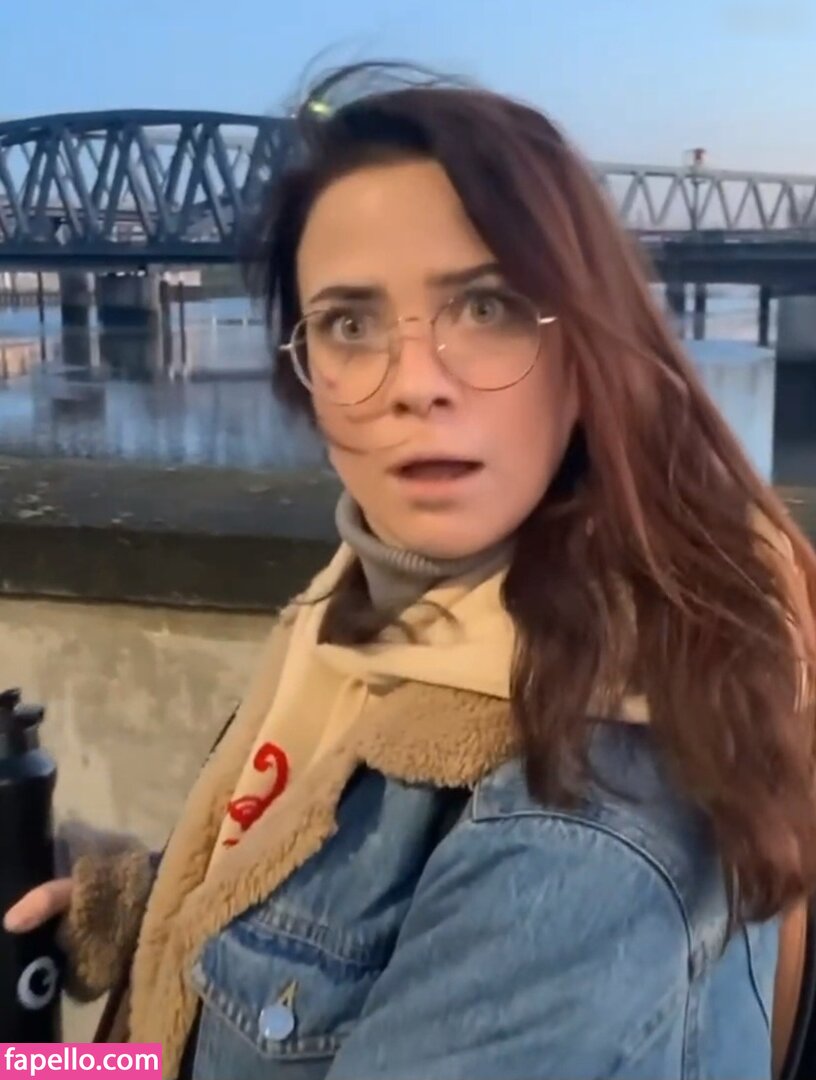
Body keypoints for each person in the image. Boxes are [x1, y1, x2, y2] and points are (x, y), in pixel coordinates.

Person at [5, 61, 816, 1080]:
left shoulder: (573, 826)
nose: (414, 384)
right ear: (304, 369)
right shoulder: (371, 613)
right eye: (350, 324)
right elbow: (319, 938)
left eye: (487, 307)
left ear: (588, 349)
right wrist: (137, 907)